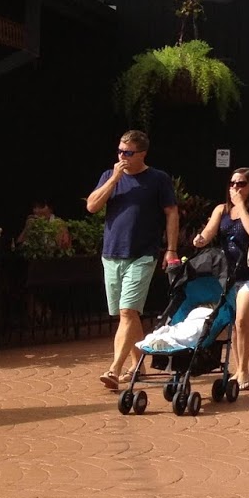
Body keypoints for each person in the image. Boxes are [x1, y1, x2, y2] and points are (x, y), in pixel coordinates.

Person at [86, 130, 179, 391]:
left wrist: (171, 249)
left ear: (142, 154)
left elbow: (172, 213)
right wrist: (114, 178)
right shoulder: (109, 176)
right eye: (119, 151)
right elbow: (92, 206)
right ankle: (140, 366)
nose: (122, 157)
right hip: (111, 254)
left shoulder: (158, 179)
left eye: (128, 153)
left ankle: (114, 369)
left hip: (142, 254)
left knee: (128, 312)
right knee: (127, 314)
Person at [189, 166, 249, 389]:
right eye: (232, 183)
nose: (235, 187)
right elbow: (208, 232)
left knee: (243, 320)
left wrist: (240, 206)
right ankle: (238, 368)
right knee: (235, 325)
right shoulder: (221, 209)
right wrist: (200, 239)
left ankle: (244, 370)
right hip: (231, 275)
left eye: (241, 184)